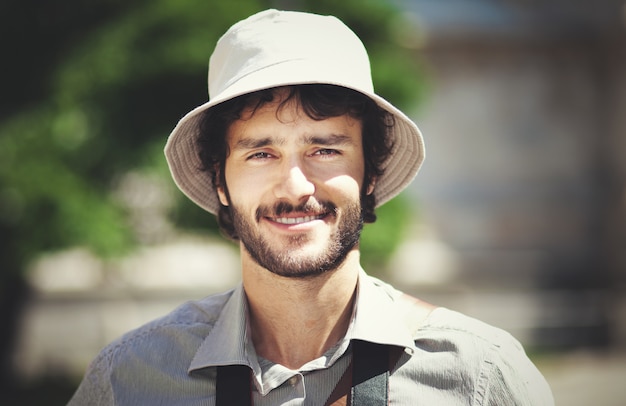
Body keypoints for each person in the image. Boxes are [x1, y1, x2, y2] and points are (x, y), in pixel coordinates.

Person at [68, 9, 554, 405]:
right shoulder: (129, 379)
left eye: (325, 150)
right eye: (261, 153)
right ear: (220, 181)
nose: (296, 185)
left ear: (373, 175)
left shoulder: (480, 376)